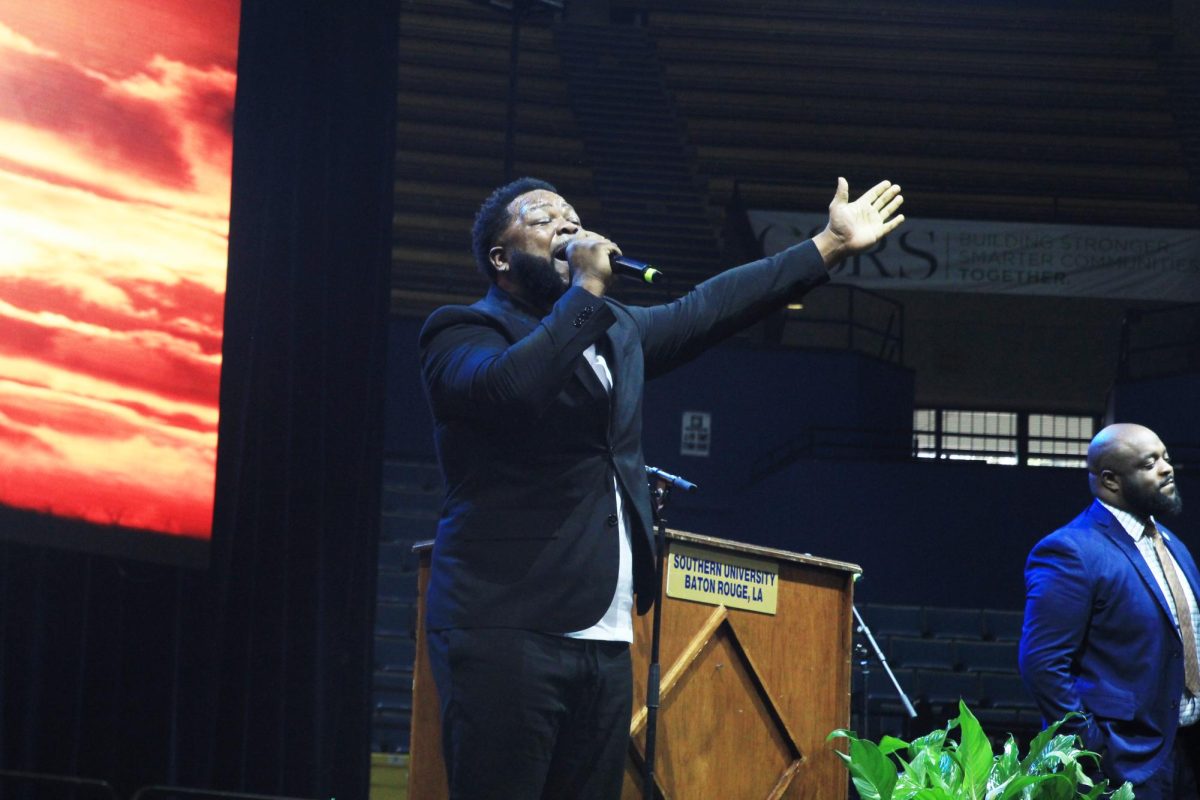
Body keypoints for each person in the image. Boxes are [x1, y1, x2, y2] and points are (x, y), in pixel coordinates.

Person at [418, 175, 904, 799]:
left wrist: (827, 246)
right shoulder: (461, 331)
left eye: (572, 214)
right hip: (507, 625)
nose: (567, 224)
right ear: (501, 257)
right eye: (543, 219)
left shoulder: (613, 329)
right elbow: (514, 391)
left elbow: (708, 307)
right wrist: (589, 287)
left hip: (604, 633)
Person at [1020, 423, 1198, 799]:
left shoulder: (1172, 545)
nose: (1166, 468)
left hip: (1188, 755)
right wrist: (1093, 749)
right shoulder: (1071, 551)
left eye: (1165, 457)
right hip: (1124, 763)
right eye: (1149, 463)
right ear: (1110, 480)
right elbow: (1042, 664)